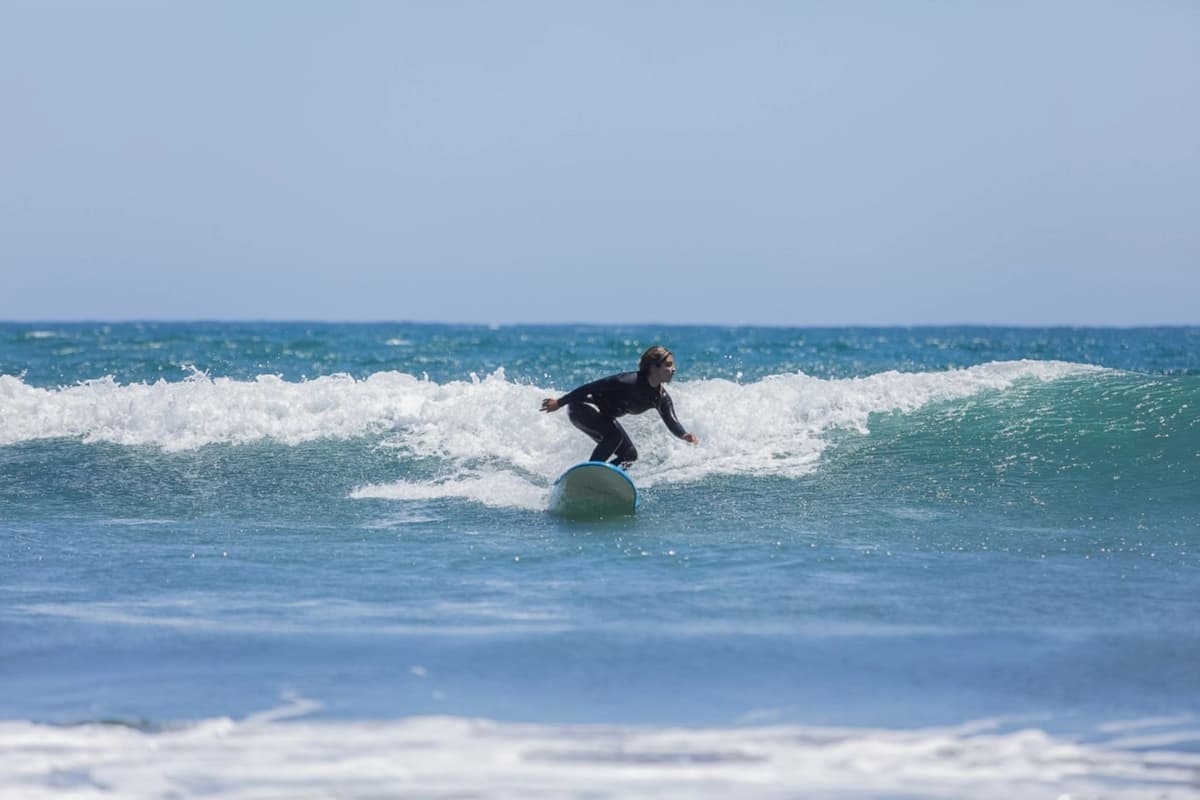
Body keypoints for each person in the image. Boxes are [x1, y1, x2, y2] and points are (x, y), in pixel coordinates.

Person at [540, 345, 699, 469]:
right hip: (582, 407)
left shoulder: (660, 398)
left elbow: (672, 421)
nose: (674, 369)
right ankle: (591, 474)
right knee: (614, 436)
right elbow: (589, 387)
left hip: (603, 417)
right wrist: (559, 403)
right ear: (653, 367)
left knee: (630, 455)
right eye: (668, 365)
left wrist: (684, 435)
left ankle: (604, 478)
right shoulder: (628, 381)